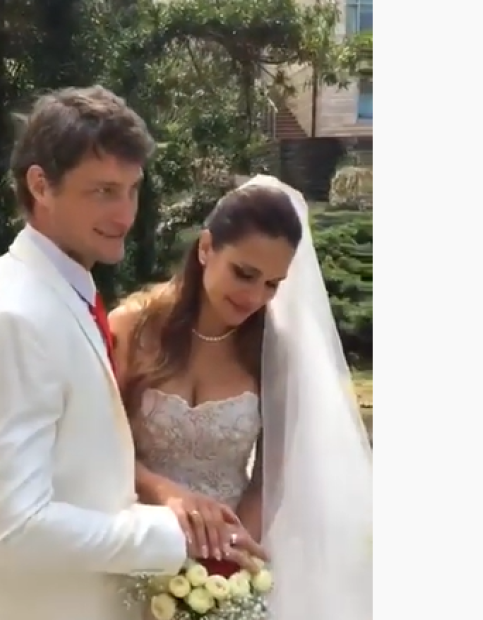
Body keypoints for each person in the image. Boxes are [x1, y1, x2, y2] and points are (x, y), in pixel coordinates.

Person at [0, 86, 265, 620]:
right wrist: (174, 536)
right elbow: (15, 529)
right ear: (40, 185)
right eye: (103, 191)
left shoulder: (54, 292)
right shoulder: (14, 317)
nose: (124, 215)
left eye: (132, 190)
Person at [110, 175, 373, 620]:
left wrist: (228, 564)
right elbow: (96, 448)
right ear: (206, 248)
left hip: (226, 565)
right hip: (134, 543)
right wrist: (163, 493)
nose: (254, 296)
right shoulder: (130, 330)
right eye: (244, 274)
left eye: (272, 284)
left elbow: (269, 479)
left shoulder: (276, 353)